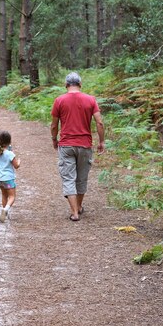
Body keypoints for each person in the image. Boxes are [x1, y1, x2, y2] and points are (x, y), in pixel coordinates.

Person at [50, 72, 105, 221]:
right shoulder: (90, 100)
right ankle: (79, 206)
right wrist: (101, 141)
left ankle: (74, 212)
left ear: (66, 85)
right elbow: (99, 122)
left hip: (66, 145)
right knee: (81, 178)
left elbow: (54, 125)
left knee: (68, 178)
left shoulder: (59, 100)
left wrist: (54, 139)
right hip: (85, 145)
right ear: (80, 84)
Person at [0, 131, 21, 223]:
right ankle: (5, 210)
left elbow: (0, 155)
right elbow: (16, 166)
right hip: (8, 179)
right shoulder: (10, 154)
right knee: (12, 197)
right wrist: (19, 161)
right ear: (9, 142)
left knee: (4, 195)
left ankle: (5, 213)